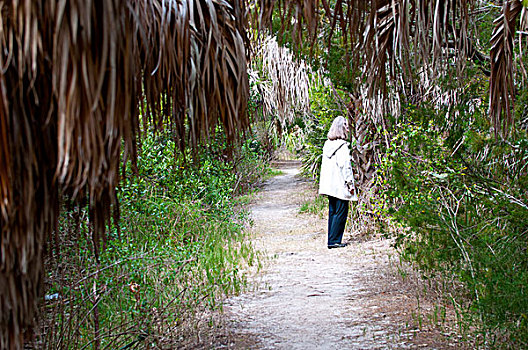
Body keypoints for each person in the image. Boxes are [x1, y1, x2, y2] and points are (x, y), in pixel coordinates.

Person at [318, 116, 356, 249]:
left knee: (333, 211)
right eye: (345, 125)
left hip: (329, 185)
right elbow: (345, 167)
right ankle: (335, 241)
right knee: (341, 211)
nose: (347, 128)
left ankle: (331, 239)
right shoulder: (342, 147)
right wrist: (350, 184)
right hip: (340, 185)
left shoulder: (327, 144)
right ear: (341, 128)